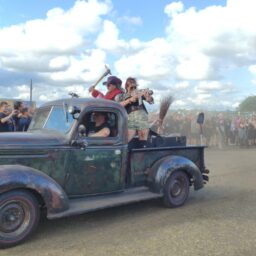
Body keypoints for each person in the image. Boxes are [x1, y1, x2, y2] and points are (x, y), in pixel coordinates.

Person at [116, 77, 154, 146]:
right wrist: (130, 100)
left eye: (135, 87)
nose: (133, 89)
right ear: (127, 87)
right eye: (131, 87)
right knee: (127, 138)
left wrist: (148, 97)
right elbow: (118, 105)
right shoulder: (122, 96)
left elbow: (151, 101)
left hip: (141, 116)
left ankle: (141, 153)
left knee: (143, 138)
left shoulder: (139, 93)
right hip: (130, 117)